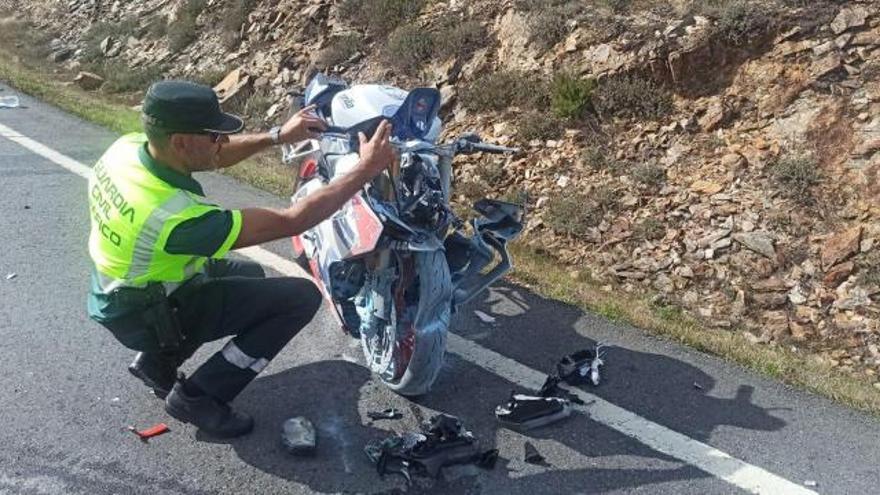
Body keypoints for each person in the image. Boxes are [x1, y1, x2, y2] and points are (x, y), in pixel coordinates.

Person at [86, 80, 394, 438]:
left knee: (249, 271)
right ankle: (199, 396)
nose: (221, 142)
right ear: (181, 141)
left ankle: (157, 363)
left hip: (128, 286)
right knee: (298, 299)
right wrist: (366, 170)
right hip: (143, 312)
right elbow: (293, 220)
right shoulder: (173, 219)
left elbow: (214, 157)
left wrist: (279, 136)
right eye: (213, 135)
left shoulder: (129, 149)